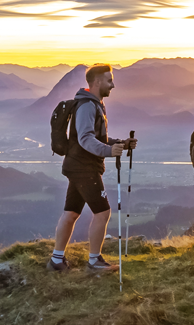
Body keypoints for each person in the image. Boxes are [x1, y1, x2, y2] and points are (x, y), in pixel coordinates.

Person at [48, 64, 135, 273]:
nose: (112, 85)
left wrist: (121, 143)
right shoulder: (88, 105)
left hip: (76, 165)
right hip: (84, 168)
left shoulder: (93, 104)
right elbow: (86, 139)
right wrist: (108, 151)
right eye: (109, 80)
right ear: (97, 82)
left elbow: (96, 138)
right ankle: (94, 262)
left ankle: (56, 261)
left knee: (71, 213)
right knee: (103, 212)